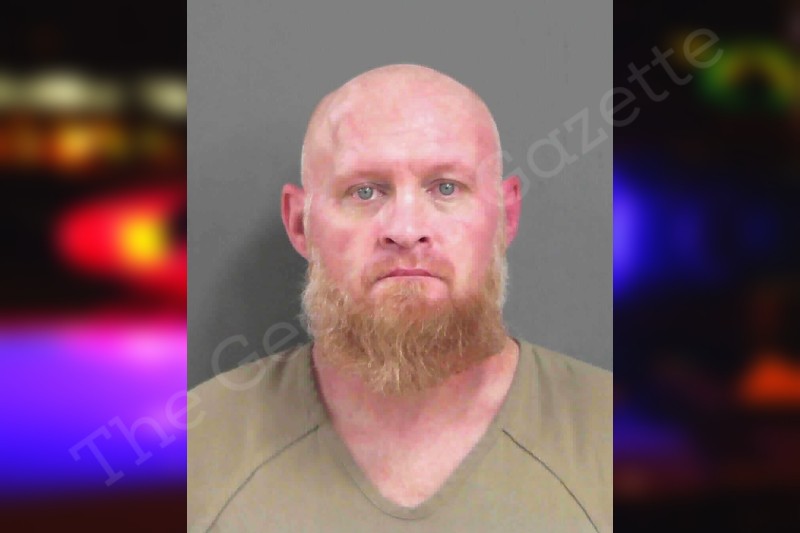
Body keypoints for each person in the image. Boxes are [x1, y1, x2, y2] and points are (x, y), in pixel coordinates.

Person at [188, 64, 612, 532]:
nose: (406, 230)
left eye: (446, 187)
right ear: (299, 224)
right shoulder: (193, 452)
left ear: (506, 216)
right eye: (364, 191)